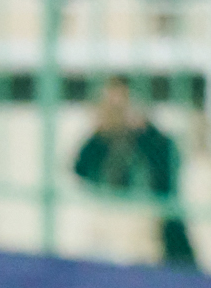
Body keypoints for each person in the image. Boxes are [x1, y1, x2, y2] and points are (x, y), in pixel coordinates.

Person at [73, 76, 196, 269]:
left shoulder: (156, 142)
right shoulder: (101, 144)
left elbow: (165, 174)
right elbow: (80, 169)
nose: (119, 113)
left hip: (155, 241)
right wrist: (102, 131)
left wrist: (143, 130)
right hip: (112, 236)